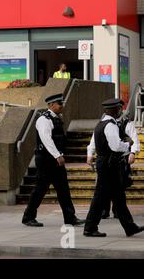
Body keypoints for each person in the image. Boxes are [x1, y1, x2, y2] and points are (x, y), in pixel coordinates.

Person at [22, 93, 84, 227]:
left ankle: (70, 217)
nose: (62, 106)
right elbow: (46, 139)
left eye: (62, 103)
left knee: (63, 189)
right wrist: (57, 155)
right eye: (59, 103)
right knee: (40, 189)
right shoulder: (44, 119)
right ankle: (28, 217)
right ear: (51, 105)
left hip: (55, 159)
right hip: (46, 159)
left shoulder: (56, 118)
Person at [84, 98, 144, 237]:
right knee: (100, 197)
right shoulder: (110, 125)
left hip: (107, 163)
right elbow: (116, 146)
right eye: (118, 109)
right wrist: (128, 144)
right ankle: (90, 227)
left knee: (118, 197)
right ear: (112, 110)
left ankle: (130, 227)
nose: (120, 111)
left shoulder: (101, 123)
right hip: (108, 164)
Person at [87, 110, 140, 219]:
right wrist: (90, 153)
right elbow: (94, 140)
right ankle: (105, 211)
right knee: (108, 188)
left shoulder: (126, 123)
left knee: (119, 187)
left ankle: (118, 212)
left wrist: (133, 152)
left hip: (121, 158)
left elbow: (134, 139)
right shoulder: (105, 124)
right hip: (107, 160)